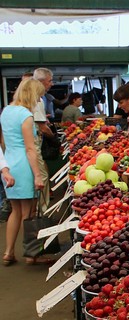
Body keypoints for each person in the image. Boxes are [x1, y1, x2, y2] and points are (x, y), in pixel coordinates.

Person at [2, 78, 46, 266]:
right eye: (38, 97)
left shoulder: (6, 111)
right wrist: (37, 174)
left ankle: (8, 252)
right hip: (24, 167)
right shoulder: (25, 116)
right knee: (28, 213)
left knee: (15, 211)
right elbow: (30, 149)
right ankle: (31, 254)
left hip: (9, 165)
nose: (38, 102)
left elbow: (3, 142)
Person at [30, 70, 53, 213]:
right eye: (50, 81)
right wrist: (53, 138)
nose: (51, 84)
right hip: (33, 143)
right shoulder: (37, 99)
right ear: (41, 81)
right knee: (41, 176)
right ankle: (42, 211)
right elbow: (42, 127)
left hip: (30, 144)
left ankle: (34, 211)